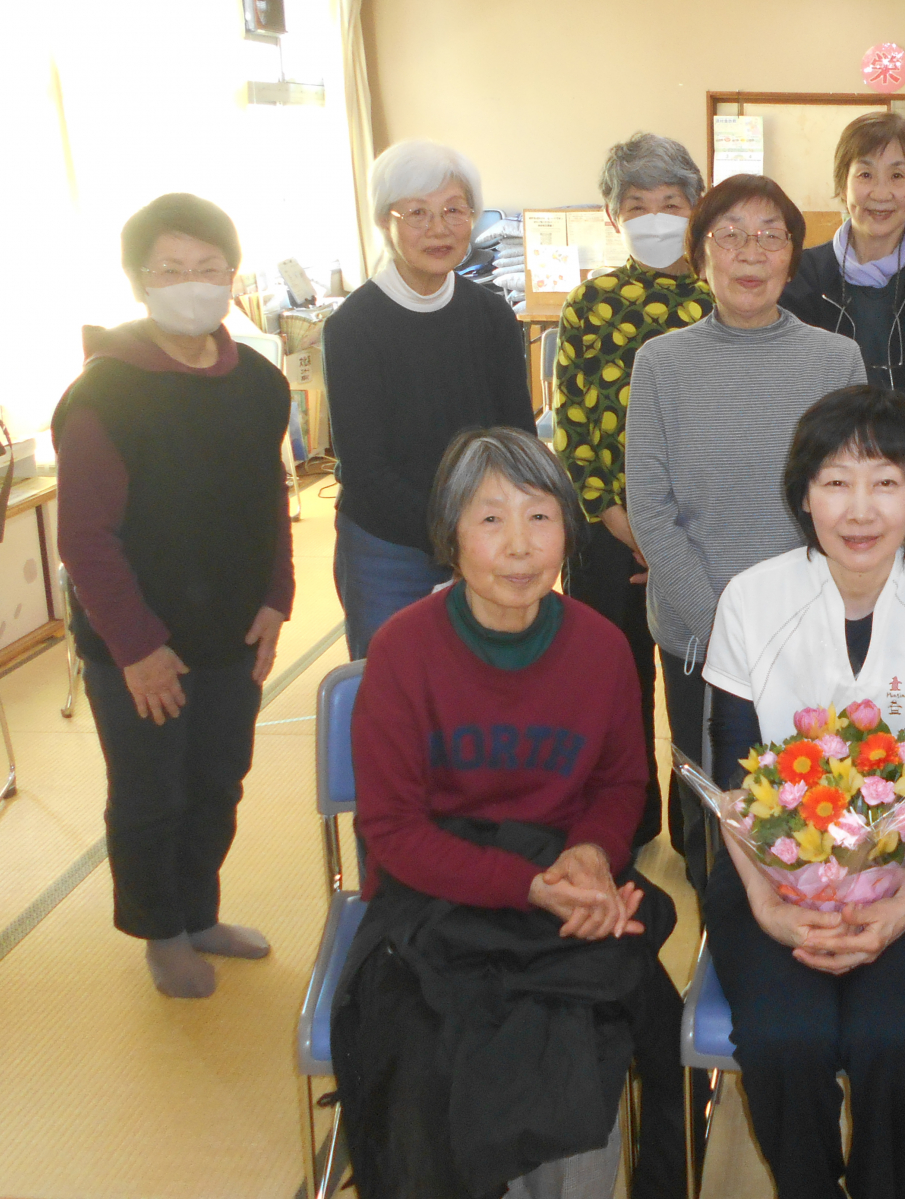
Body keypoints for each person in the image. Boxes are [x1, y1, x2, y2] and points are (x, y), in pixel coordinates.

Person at [338, 427, 683, 1199]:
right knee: (425, 1059)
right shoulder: (402, 652)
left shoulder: (601, 648)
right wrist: (529, 885)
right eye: (491, 519)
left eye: (540, 516)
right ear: (451, 535)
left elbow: (621, 787)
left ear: (567, 530)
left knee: (586, 1044)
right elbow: (392, 832)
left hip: (565, 893)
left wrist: (590, 857)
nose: (520, 546)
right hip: (434, 902)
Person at [700, 385, 905, 1199]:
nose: (860, 509)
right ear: (804, 495)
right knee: (786, 1038)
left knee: (896, 1037)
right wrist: (766, 905)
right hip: (769, 873)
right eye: (836, 481)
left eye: (886, 481)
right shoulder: (751, 600)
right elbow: (733, 782)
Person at [54, 193, 291, 999]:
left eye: (208, 268)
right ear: (138, 282)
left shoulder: (258, 381)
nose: (193, 284)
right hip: (138, 644)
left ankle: (198, 912)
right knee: (151, 792)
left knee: (219, 779)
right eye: (172, 270)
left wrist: (276, 597)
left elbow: (271, 495)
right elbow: (85, 539)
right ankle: (160, 931)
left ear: (231, 277)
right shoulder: (105, 394)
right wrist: (139, 648)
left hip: (232, 630)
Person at [626, 175, 865, 892]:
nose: (750, 253)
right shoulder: (661, 362)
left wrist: (788, 623)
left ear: (793, 256)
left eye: (770, 236)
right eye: (729, 235)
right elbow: (650, 508)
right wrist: (723, 628)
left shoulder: (836, 361)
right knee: (715, 820)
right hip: (698, 632)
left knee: (813, 813)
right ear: (701, 255)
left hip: (809, 629)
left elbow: (849, 502)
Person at [556, 132, 714, 850]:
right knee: (611, 687)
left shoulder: (720, 299)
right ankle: (625, 822)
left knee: (698, 687)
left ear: (696, 209)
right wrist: (628, 525)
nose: (655, 218)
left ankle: (696, 828)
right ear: (612, 216)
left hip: (701, 536)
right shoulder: (587, 303)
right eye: (637, 205)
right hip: (606, 531)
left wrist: (672, 539)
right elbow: (574, 429)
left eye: (671, 203)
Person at [324, 138, 532, 659]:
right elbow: (365, 469)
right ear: (384, 221)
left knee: (483, 680)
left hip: (484, 536)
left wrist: (491, 531)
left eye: (454, 210)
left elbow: (517, 439)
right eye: (417, 212)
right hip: (388, 546)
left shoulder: (492, 316)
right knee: (393, 683)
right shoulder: (353, 327)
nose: (439, 229)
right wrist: (456, 537)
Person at [781, 111, 905, 391]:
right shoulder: (803, 275)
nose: (881, 193)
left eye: (897, 175)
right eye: (865, 175)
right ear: (843, 184)